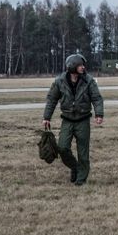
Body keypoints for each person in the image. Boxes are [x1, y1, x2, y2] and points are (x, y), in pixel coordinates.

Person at [42, 54, 104, 186]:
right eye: (80, 65)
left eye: (83, 65)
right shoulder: (59, 81)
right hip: (67, 120)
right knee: (62, 148)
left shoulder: (89, 81)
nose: (83, 67)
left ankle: (81, 180)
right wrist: (46, 117)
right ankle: (75, 167)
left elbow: (97, 98)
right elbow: (52, 100)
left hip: (83, 120)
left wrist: (99, 114)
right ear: (72, 67)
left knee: (83, 152)